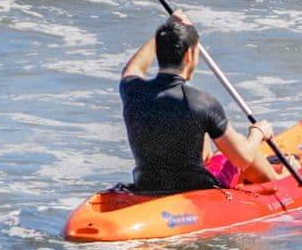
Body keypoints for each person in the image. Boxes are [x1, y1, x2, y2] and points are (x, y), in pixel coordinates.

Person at [119, 10, 283, 192]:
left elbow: (133, 68)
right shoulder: (202, 103)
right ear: (189, 56)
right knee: (237, 149)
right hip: (196, 191)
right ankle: (279, 180)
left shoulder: (132, 90)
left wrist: (168, 29)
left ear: (159, 51)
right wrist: (258, 132)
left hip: (146, 185)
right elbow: (242, 158)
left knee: (207, 147)